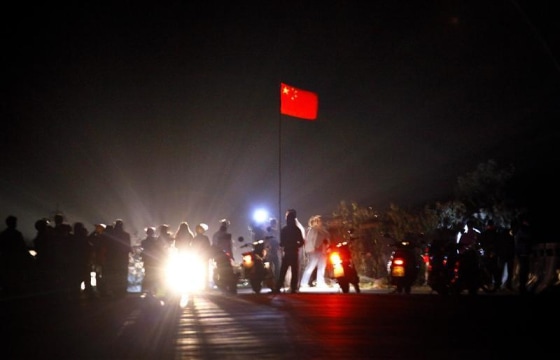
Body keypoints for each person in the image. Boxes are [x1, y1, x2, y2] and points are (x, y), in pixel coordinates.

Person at [273, 209, 305, 294]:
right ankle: (293, 288)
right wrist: (296, 245)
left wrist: (285, 244)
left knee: (283, 271)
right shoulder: (296, 229)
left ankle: (279, 287)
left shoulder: (285, 230)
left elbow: (282, 243)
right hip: (293, 252)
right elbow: (301, 242)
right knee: (293, 271)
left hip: (288, 252)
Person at [300, 215, 330, 288]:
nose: (320, 222)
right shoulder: (312, 230)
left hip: (322, 251)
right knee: (310, 267)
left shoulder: (323, 231)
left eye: (320, 220)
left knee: (321, 267)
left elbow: (328, 239)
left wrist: (327, 244)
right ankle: (303, 283)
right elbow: (309, 241)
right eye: (318, 220)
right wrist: (311, 249)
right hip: (314, 251)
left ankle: (320, 282)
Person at [141, 227, 166, 295]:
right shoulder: (156, 241)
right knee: (155, 274)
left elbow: (143, 250)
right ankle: (155, 289)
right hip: (154, 260)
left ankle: (147, 289)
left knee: (147, 273)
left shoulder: (143, 241)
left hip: (147, 259)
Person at [514, 213, 533, 294]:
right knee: (524, 269)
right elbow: (527, 238)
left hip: (521, 252)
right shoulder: (524, 229)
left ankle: (522, 286)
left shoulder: (519, 229)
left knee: (523, 269)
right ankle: (522, 286)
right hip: (523, 252)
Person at [192, 223, 212, 290]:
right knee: (205, 271)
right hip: (205, 256)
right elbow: (208, 247)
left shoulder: (195, 239)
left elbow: (193, 248)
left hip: (198, 256)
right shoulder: (205, 238)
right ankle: (206, 286)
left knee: (197, 271)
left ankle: (196, 285)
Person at [265, 218, 281, 284]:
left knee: (275, 266)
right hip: (271, 250)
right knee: (270, 266)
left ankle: (275, 280)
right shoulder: (270, 231)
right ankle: (271, 280)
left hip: (274, 250)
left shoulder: (275, 231)